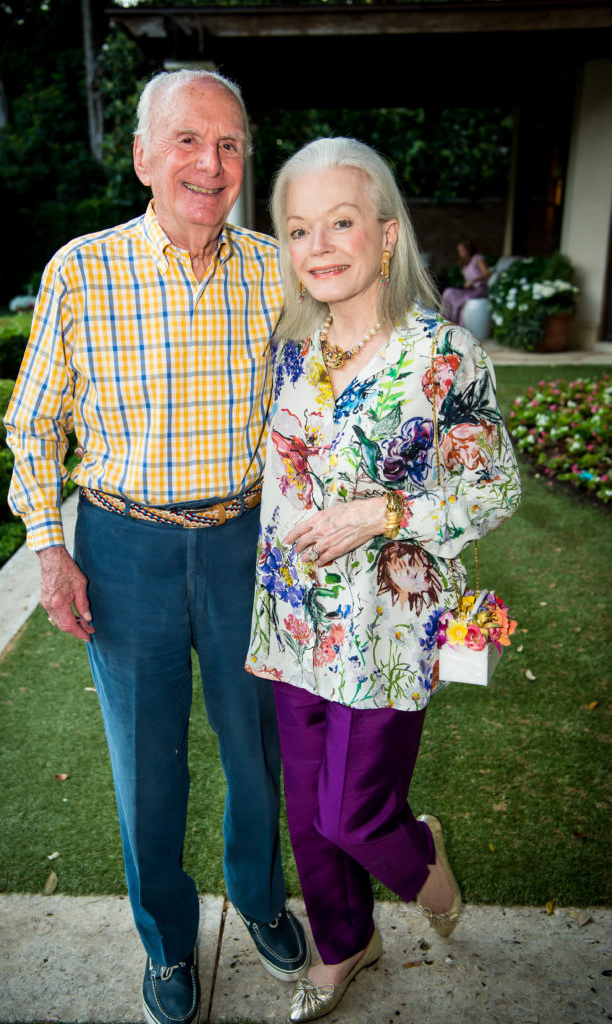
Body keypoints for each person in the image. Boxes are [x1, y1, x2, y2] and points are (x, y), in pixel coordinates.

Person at [5, 69, 308, 1024]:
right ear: (143, 156)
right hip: (122, 548)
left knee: (254, 749)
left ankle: (259, 898)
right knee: (147, 765)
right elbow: (32, 426)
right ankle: (168, 944)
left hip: (243, 542)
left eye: (227, 145)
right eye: (187, 140)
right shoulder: (80, 270)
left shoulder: (275, 268)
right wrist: (51, 549)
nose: (210, 165)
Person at [245, 138, 521, 1022]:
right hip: (294, 617)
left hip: (390, 631)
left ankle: (426, 870)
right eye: (297, 230)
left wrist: (385, 514)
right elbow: (281, 469)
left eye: (340, 222)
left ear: (387, 234)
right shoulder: (290, 347)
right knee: (307, 815)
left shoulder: (444, 357)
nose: (317, 246)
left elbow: (496, 485)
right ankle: (342, 943)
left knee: (356, 816)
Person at [441, 238, 491, 326]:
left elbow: (487, 273)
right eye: (459, 251)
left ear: (468, 250)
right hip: (470, 289)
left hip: (479, 289)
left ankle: (453, 322)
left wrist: (473, 280)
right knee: (448, 292)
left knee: (451, 294)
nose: (460, 253)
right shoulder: (464, 264)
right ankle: (445, 320)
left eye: (462, 250)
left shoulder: (477, 259)